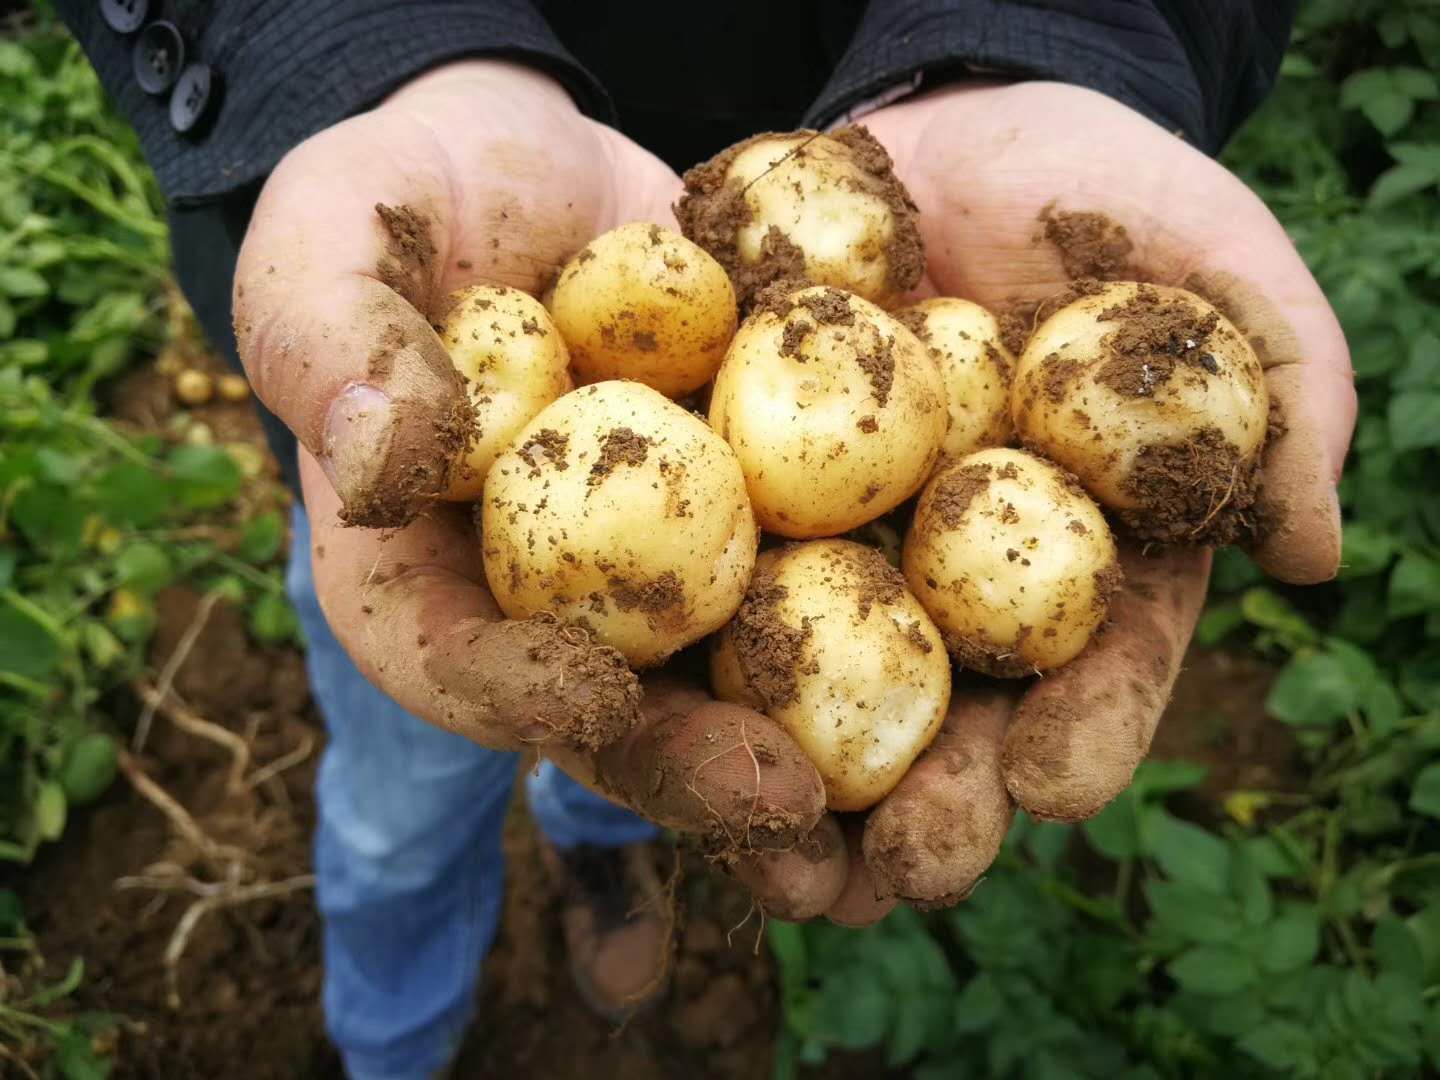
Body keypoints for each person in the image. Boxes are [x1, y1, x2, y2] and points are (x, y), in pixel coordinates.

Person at [58, 2, 1355, 1077]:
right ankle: (393, 1035)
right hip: (473, 238)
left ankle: (598, 859)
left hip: (892, 121)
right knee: (407, 791)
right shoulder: (563, 387)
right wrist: (370, 61)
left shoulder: (886, 401)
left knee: (631, 740)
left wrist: (1054, 39)